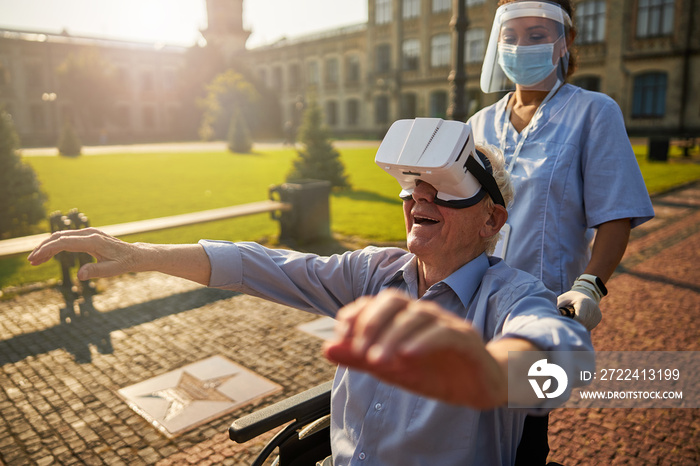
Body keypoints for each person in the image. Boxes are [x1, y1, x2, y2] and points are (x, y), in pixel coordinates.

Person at [28, 119, 593, 465]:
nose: (419, 201)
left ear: (491, 221)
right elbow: (261, 264)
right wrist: (140, 255)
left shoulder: (512, 298)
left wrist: (486, 371)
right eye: (411, 189)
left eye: (442, 191)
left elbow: (562, 366)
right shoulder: (374, 274)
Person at [468, 0, 655, 463]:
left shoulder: (593, 112)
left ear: (565, 41)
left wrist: (589, 285)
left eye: (537, 35)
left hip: (541, 312)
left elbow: (617, 214)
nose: (520, 45)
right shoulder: (477, 124)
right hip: (473, 307)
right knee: (465, 433)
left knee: (525, 439)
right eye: (510, 35)